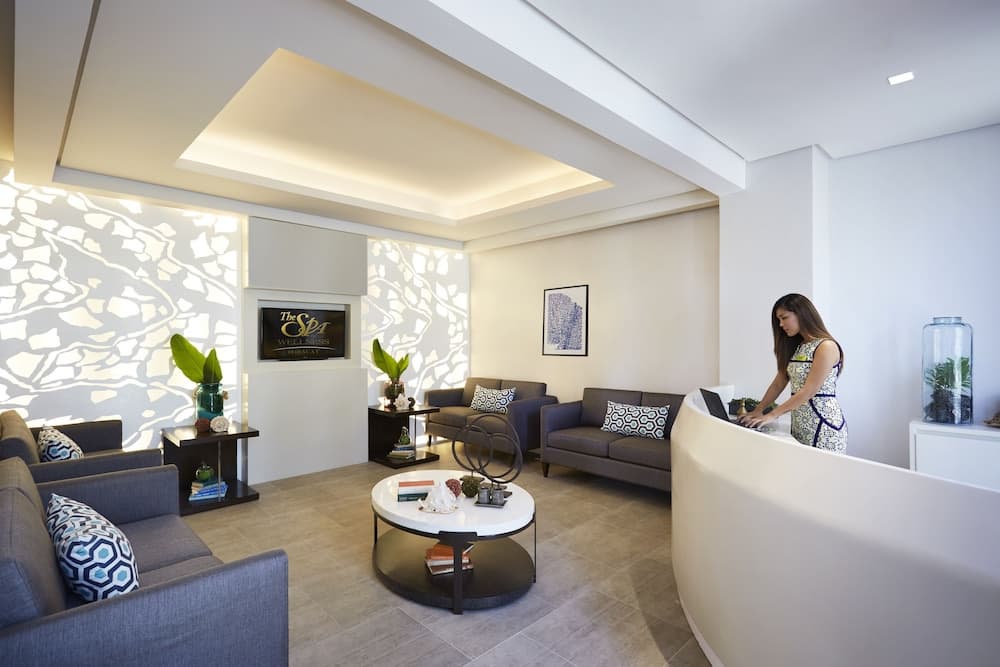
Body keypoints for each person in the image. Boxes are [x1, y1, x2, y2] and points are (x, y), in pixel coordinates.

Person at [740, 293, 847, 453]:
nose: (781, 324)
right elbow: (778, 383)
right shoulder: (798, 347)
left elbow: (809, 390)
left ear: (801, 314)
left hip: (824, 426)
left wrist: (772, 415)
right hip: (799, 425)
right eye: (779, 320)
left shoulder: (826, 347)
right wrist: (758, 410)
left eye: (784, 318)